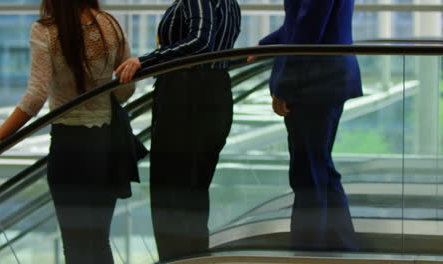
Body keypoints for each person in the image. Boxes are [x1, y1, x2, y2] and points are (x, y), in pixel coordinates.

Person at [0, 1, 134, 263]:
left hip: (69, 147)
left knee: (75, 245)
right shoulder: (111, 25)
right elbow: (124, 92)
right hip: (109, 145)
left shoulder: (46, 30)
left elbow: (36, 96)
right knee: (98, 240)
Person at [116, 0, 241, 261]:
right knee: (193, 196)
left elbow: (200, 41)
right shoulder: (231, 3)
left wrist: (146, 61)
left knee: (170, 197)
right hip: (216, 93)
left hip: (187, 97)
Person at [248, 0, 363, 251]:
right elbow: (302, 24)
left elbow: (308, 30)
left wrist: (285, 88)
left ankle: (308, 251)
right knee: (319, 168)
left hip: (315, 83)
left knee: (308, 173)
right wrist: (267, 44)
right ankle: (341, 246)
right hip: (325, 78)